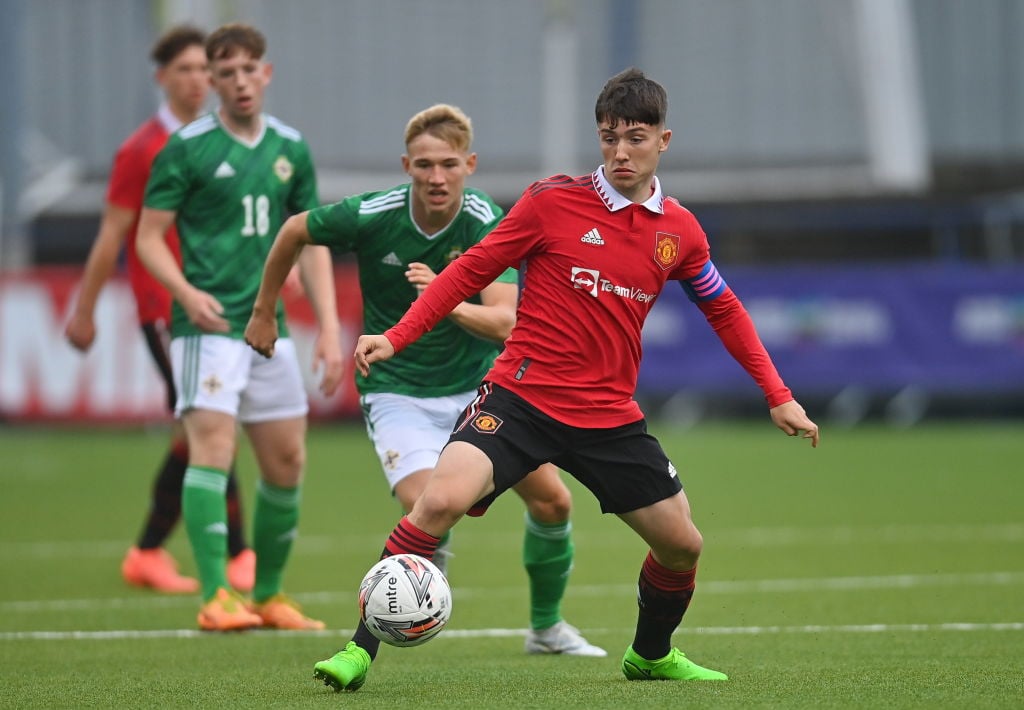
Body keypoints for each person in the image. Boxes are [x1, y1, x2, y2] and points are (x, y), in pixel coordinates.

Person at [309, 68, 820, 690]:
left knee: (683, 545)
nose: (620, 151)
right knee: (439, 500)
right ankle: (359, 650)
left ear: (664, 140)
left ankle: (651, 655)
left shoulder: (679, 231)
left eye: (635, 137)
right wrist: (397, 334)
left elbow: (724, 308)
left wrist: (779, 396)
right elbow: (468, 271)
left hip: (607, 417)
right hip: (519, 398)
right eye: (609, 137)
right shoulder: (551, 203)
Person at [244, 104, 604, 657]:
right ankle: (398, 619)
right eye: (425, 165)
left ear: (470, 164)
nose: (437, 177)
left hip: (477, 392)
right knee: (429, 509)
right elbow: (295, 229)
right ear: (406, 165)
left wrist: (444, 298)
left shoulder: (487, 220)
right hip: (398, 391)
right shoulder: (375, 214)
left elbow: (504, 321)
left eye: (449, 164)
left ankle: (547, 629)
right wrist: (265, 310)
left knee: (555, 503)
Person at [136, 22, 343, 632]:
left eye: (249, 70)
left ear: (266, 73)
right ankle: (217, 596)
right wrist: (185, 293)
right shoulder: (186, 147)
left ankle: (270, 594)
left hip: (269, 329)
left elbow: (313, 239)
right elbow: (146, 238)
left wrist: (329, 327)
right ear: (212, 81)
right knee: (214, 450)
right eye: (224, 73)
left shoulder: (290, 147)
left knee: (287, 462)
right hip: (207, 328)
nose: (238, 82)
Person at [64, 25, 255, 595]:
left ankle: (147, 550)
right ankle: (239, 553)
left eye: (204, 69)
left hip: (221, 302)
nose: (198, 80)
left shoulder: (224, 140)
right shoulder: (142, 149)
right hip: (165, 306)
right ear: (162, 79)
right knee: (214, 424)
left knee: (194, 428)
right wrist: (85, 308)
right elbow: (114, 234)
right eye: (186, 70)